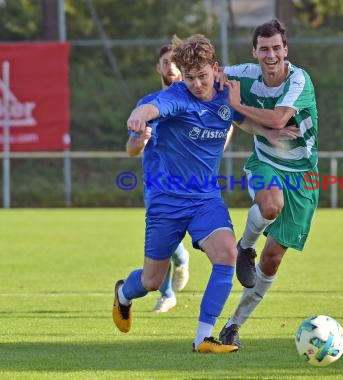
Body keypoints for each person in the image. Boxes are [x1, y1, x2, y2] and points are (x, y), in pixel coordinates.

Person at [113, 34, 241, 353]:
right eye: (190, 78)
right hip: (165, 200)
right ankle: (123, 295)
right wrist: (138, 118)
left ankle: (203, 338)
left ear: (215, 69)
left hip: (205, 199)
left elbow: (242, 112)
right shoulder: (176, 97)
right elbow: (152, 109)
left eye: (202, 76)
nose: (197, 84)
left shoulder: (228, 92)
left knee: (227, 254)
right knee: (152, 281)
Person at [218, 19, 319, 347]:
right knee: (270, 205)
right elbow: (212, 76)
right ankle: (244, 246)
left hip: (303, 178)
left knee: (273, 259)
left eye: (276, 48)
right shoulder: (244, 73)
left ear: (285, 50)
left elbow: (278, 117)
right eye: (264, 49)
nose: (271, 54)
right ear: (255, 52)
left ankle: (234, 324)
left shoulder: (298, 79)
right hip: (264, 164)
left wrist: (235, 106)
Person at [125, 45, 190, 313]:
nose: (171, 66)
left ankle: (183, 259)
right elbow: (130, 149)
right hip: (156, 185)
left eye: (175, 62)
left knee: (173, 239)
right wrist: (139, 141)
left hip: (189, 183)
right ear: (159, 68)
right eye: (166, 62)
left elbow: (228, 123)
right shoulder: (147, 104)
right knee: (160, 240)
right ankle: (167, 294)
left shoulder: (194, 101)